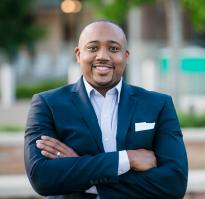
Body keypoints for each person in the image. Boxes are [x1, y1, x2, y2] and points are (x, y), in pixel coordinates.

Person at [24, 19, 188, 199]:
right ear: (78, 54)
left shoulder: (158, 104)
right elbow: (42, 177)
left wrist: (77, 171)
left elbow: (174, 183)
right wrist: (127, 159)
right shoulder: (47, 104)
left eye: (113, 48)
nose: (103, 56)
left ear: (126, 56)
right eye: (93, 48)